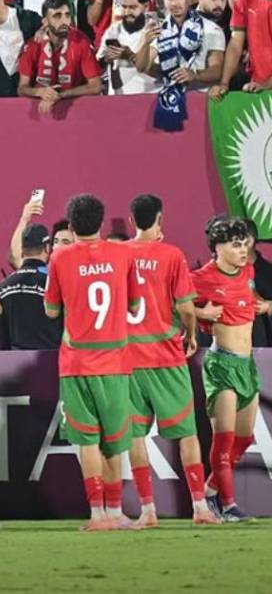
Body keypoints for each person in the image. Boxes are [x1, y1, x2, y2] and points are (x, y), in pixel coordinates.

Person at [43, 193, 140, 530]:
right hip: (115, 360)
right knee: (114, 442)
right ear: (101, 223)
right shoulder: (122, 254)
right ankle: (116, 512)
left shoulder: (59, 257)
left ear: (71, 225)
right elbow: (133, 306)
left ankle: (97, 514)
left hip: (76, 363)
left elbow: (51, 310)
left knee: (87, 441)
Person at [122, 195, 219, 527]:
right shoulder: (172, 255)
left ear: (132, 219)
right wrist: (192, 334)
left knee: (135, 437)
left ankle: (148, 510)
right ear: (160, 218)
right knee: (186, 434)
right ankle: (200, 508)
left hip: (129, 360)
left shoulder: (119, 255)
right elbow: (187, 308)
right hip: (166, 357)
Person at [191, 215, 269, 521]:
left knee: (244, 438)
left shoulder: (247, 271)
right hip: (221, 364)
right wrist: (201, 313)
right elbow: (170, 304)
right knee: (222, 439)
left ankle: (211, 488)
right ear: (218, 247)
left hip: (246, 365)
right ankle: (228, 505)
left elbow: (247, 298)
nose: (243, 250)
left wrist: (261, 305)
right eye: (236, 245)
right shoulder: (201, 277)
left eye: (244, 244)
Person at [134, 0, 224, 128]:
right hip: (170, 103)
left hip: (202, 102)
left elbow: (217, 70)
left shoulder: (211, 29)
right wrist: (144, 43)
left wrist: (194, 74)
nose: (174, 3)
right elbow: (142, 67)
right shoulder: (160, 30)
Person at [16, 0, 102, 112]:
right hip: (41, 109)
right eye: (57, 16)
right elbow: (22, 89)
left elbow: (96, 86)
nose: (64, 21)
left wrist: (60, 95)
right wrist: (40, 92)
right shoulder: (33, 45)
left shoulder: (81, 42)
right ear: (45, 21)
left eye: (67, 15)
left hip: (75, 109)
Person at [0, 218, 64, 350]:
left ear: (22, 251)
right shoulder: (54, 283)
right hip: (52, 362)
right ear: (47, 248)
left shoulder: (3, 287)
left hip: (15, 365)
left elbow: (2, 337)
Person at [97, 0, 161, 96]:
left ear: (146, 6)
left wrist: (130, 56)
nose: (127, 12)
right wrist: (106, 59)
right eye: (124, 7)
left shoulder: (155, 30)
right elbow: (98, 66)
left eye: (132, 7)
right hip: (118, 101)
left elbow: (159, 72)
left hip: (148, 99)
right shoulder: (114, 30)